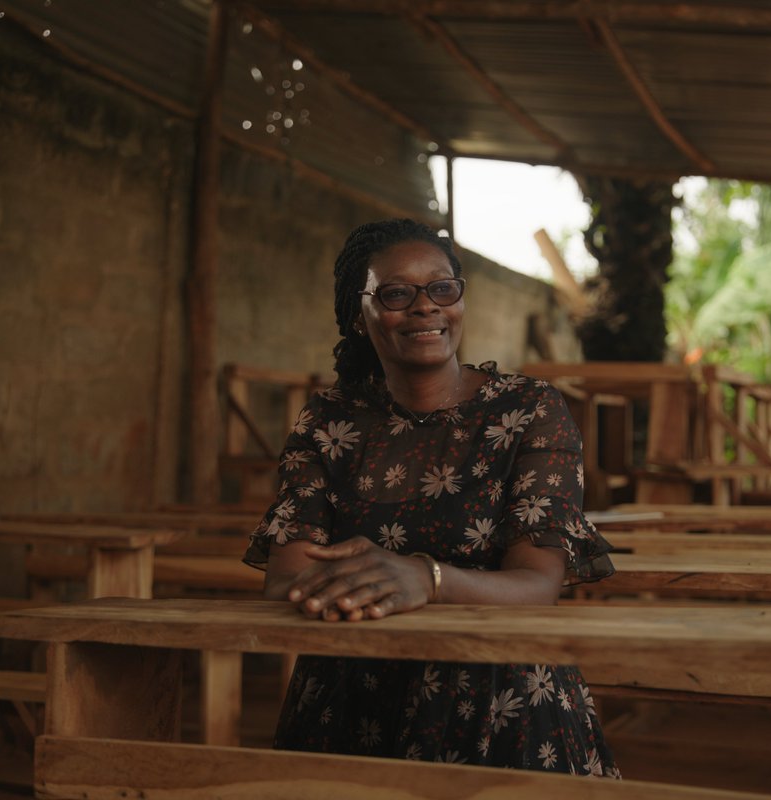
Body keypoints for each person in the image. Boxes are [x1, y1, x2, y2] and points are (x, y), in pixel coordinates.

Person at [243, 218, 620, 777]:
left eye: (442, 288)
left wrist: (426, 578)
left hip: (501, 699)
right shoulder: (329, 421)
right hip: (350, 699)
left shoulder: (529, 411)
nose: (425, 306)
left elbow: (538, 585)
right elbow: (286, 578)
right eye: (396, 293)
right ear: (359, 314)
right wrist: (380, 581)